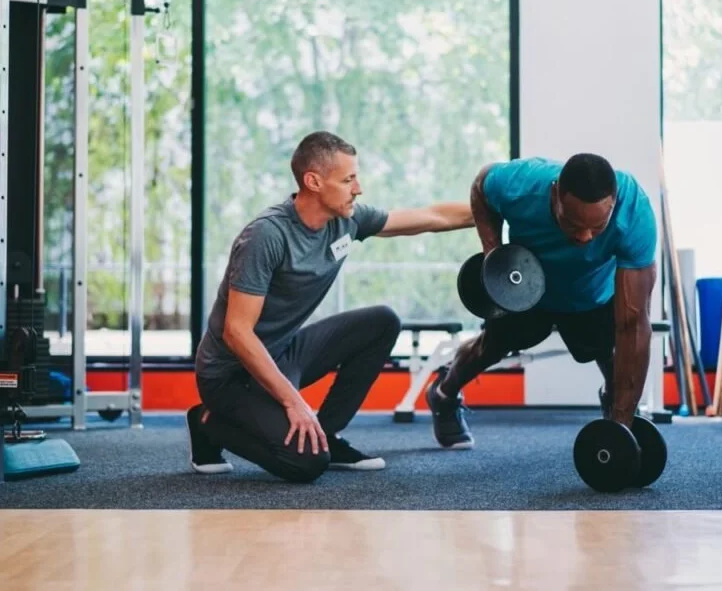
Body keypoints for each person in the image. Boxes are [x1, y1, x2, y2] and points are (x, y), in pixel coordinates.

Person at [186, 131, 474, 483]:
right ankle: (208, 422)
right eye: (348, 179)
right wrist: (294, 402)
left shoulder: (346, 221)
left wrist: (494, 210)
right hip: (229, 375)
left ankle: (326, 432)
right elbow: (237, 332)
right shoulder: (266, 236)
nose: (359, 188)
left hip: (280, 353)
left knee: (382, 321)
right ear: (314, 181)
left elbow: (433, 217)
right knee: (304, 463)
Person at [424, 153, 658, 449]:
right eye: (573, 224)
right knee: (488, 349)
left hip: (590, 292)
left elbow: (633, 325)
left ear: (613, 204)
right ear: (555, 195)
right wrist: (494, 257)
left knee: (612, 356)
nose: (585, 237)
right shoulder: (520, 184)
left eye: (597, 228)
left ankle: (617, 411)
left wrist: (621, 434)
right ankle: (444, 394)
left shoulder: (633, 210)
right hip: (527, 286)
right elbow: (481, 187)